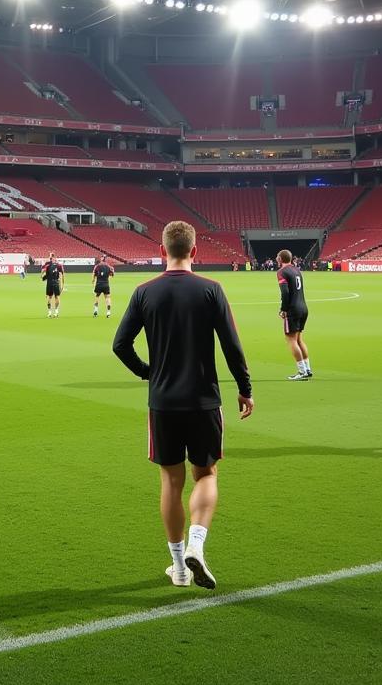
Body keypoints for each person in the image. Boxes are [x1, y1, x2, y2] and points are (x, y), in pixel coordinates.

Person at [112, 220, 254, 590]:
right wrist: (245, 388)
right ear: (194, 252)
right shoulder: (212, 289)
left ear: (162, 252)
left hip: (163, 402)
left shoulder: (144, 292)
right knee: (205, 475)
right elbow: (231, 346)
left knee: (170, 483)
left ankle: (178, 567)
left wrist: (149, 372)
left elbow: (120, 345)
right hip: (204, 400)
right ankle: (197, 543)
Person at [276, 248, 311, 380]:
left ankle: (301, 372)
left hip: (293, 309)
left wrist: (283, 309)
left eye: (277, 257)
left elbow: (285, 292)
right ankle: (307, 369)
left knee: (290, 339)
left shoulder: (281, 272)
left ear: (280, 259)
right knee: (299, 339)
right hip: (303, 307)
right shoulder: (297, 270)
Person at [41, 252, 64, 317]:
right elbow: (62, 275)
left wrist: (42, 277)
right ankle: (56, 312)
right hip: (56, 282)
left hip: (49, 283)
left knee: (49, 297)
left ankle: (49, 312)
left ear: (50, 258)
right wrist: (62, 285)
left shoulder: (48, 265)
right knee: (57, 297)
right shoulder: (59, 265)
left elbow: (45, 274)